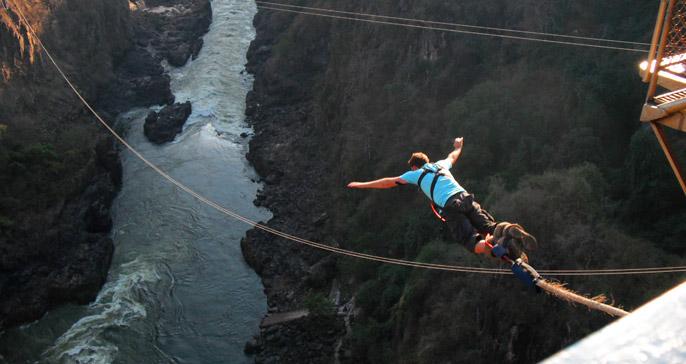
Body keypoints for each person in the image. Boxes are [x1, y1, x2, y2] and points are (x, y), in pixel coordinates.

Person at [347, 137, 536, 260]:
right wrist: (459, 146)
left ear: (414, 167)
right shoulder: (441, 165)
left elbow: (388, 182)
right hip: (466, 197)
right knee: (490, 226)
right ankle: (509, 229)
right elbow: (452, 156)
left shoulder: (416, 174)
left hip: (450, 206)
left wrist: (362, 185)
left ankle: (495, 245)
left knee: (469, 240)